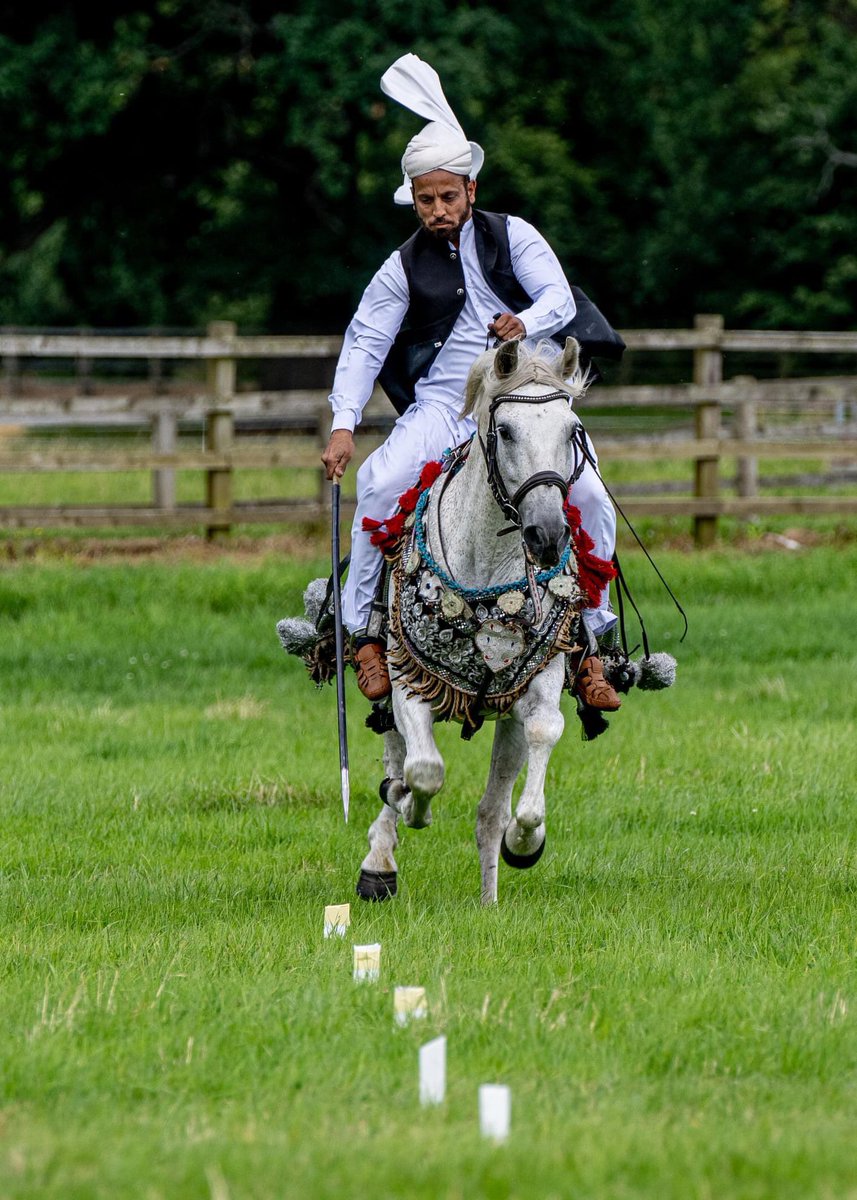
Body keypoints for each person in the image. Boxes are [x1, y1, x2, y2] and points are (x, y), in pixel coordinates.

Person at [322, 54, 621, 713]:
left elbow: (556, 300)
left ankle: (595, 639)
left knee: (594, 497)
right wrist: (343, 421)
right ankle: (361, 629)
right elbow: (366, 339)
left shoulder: (514, 237)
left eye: (447, 197)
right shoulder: (401, 266)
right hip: (443, 405)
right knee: (376, 482)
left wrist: (525, 322)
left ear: (470, 192)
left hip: (526, 399)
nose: (436, 210)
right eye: (424, 200)